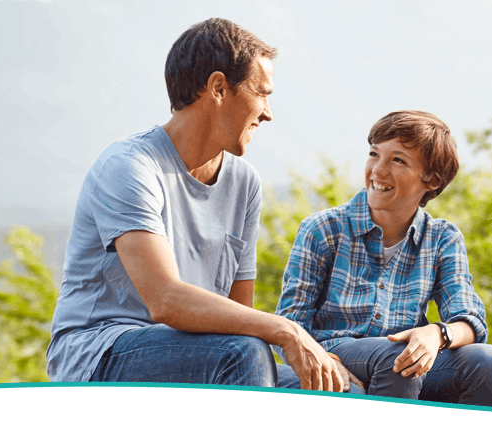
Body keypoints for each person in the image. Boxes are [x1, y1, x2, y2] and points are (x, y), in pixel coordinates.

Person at [46, 18, 348, 392]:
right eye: (262, 92)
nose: (268, 112)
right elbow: (165, 300)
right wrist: (288, 331)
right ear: (219, 87)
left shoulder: (244, 183)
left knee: (339, 386)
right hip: (100, 354)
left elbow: (240, 315)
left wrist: (310, 357)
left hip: (206, 351)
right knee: (243, 353)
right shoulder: (129, 167)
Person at [275, 111, 492, 406]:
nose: (378, 170)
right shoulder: (324, 229)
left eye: (397, 160)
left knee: (488, 360)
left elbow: (471, 322)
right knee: (399, 356)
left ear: (432, 180)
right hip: (337, 349)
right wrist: (321, 360)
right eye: (374, 154)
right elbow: (289, 322)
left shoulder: (442, 238)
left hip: (407, 365)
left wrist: (435, 334)